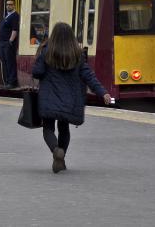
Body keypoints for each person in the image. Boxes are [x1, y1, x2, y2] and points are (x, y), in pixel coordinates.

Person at [31, 22, 112, 173]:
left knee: (48, 128)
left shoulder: (46, 51)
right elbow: (89, 76)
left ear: (53, 36)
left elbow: (37, 72)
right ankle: (61, 156)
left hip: (49, 98)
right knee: (64, 128)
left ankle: (56, 151)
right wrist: (103, 92)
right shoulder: (78, 55)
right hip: (69, 100)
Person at [0, 0, 20, 89]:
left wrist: (10, 41)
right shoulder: (7, 16)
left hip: (8, 44)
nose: (8, 6)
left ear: (14, 5)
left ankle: (12, 82)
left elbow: (15, 30)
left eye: (10, 4)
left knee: (10, 63)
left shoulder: (15, 16)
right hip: (2, 43)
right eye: (7, 4)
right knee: (5, 63)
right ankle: (7, 82)